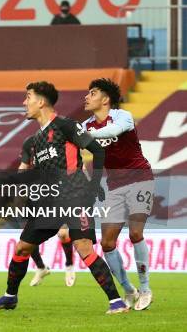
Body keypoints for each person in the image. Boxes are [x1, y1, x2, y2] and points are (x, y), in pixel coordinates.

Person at [0, 81, 128, 314]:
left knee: (84, 248)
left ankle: (116, 302)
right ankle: (10, 296)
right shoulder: (33, 141)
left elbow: (98, 151)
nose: (24, 102)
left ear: (41, 102)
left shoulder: (66, 126)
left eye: (28, 97)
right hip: (47, 203)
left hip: (74, 197)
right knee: (22, 249)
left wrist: (93, 186)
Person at [84, 78, 154, 311]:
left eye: (92, 93)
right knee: (107, 243)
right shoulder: (87, 125)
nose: (87, 97)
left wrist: (83, 136)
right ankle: (128, 289)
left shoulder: (122, 116)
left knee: (135, 233)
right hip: (113, 186)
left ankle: (145, 289)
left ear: (105, 99)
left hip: (139, 179)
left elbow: (113, 131)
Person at [18, 135, 76, 288]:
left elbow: (77, 165)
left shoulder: (62, 141)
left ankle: (69, 265)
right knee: (27, 238)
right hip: (37, 194)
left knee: (63, 234)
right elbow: (23, 167)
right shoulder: (29, 143)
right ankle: (41, 267)